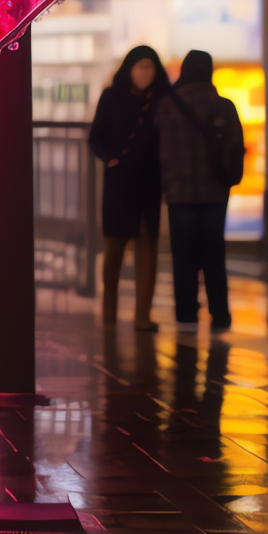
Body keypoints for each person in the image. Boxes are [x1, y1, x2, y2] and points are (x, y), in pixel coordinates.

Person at [156, 50, 245, 331]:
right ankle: (220, 313)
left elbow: (157, 149)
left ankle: (185, 312)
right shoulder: (224, 106)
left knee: (183, 255)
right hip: (215, 191)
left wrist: (165, 183)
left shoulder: (168, 105)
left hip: (179, 192)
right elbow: (236, 146)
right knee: (213, 252)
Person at [88, 45, 165, 331]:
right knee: (115, 247)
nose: (146, 73)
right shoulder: (112, 97)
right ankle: (109, 313)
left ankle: (142, 316)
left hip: (149, 183)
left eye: (150, 67)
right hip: (119, 182)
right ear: (129, 69)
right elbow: (96, 137)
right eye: (140, 66)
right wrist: (112, 160)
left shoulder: (162, 100)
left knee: (147, 246)